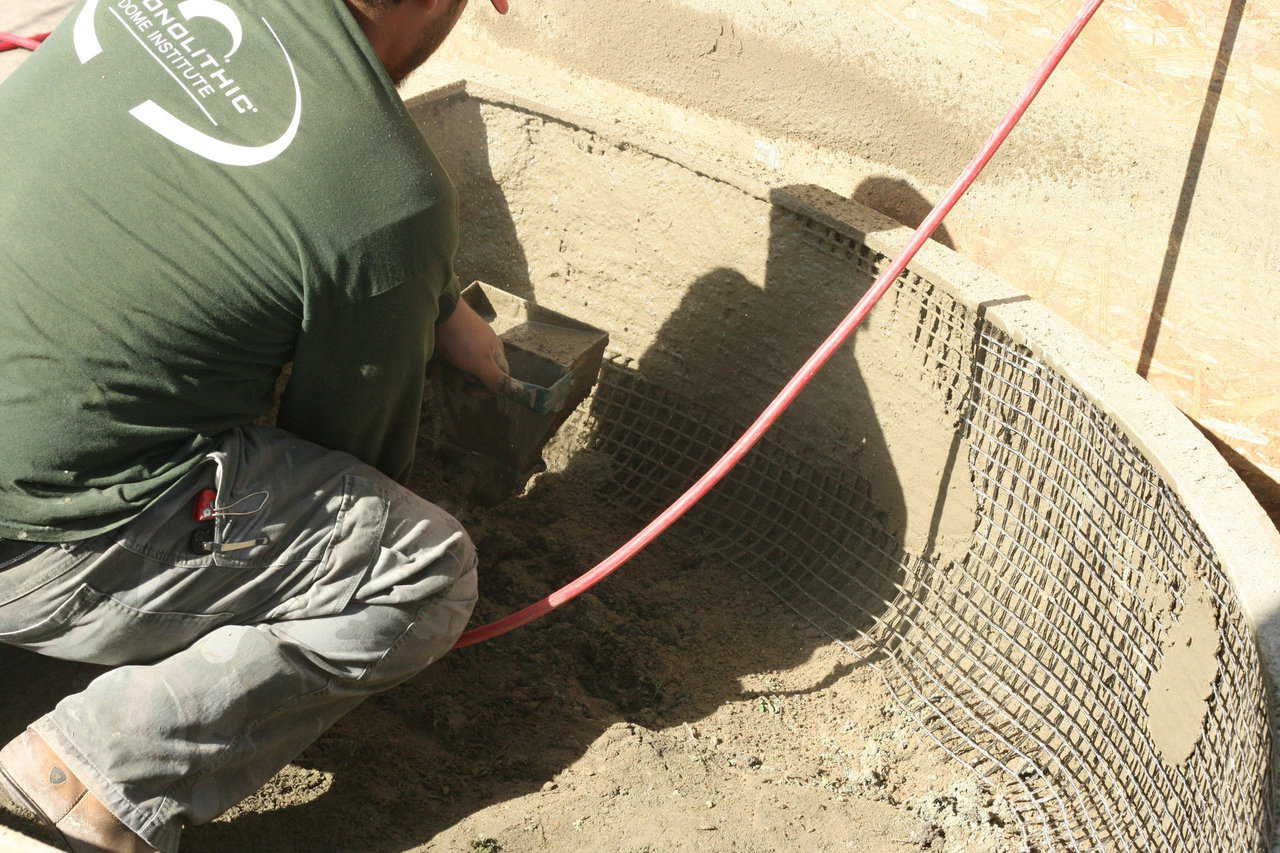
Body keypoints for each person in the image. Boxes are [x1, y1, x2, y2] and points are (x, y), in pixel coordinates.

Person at [0, 0, 510, 850]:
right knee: (416, 571)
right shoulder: (387, 196)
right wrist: (392, 276)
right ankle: (88, 773)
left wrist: (427, 292)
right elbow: (345, 452)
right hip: (27, 543)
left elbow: (183, 183)